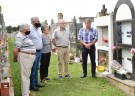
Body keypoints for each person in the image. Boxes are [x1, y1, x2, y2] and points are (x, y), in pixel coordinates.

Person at [13, 24, 36, 96]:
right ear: (23, 30)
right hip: (25, 56)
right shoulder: (19, 36)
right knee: (25, 76)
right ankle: (25, 94)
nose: (29, 30)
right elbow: (16, 49)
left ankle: (27, 91)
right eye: (28, 29)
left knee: (27, 75)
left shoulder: (25, 36)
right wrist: (15, 58)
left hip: (28, 57)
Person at [29, 17, 44, 91]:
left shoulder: (38, 29)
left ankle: (36, 82)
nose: (39, 22)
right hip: (33, 52)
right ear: (33, 22)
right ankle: (32, 85)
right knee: (33, 68)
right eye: (38, 21)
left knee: (37, 68)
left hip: (39, 51)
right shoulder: (30, 30)